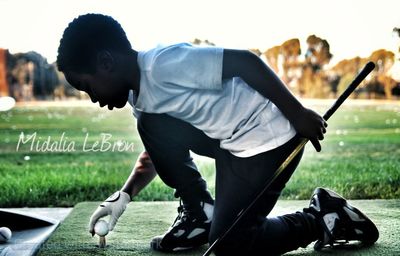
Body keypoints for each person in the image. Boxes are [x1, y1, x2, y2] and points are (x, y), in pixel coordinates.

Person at [57, 13, 379, 255]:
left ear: (106, 61)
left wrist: (297, 114)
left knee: (229, 247)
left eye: (87, 86)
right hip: (230, 144)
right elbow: (157, 152)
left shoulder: (163, 65)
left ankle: (321, 217)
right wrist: (122, 197)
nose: (93, 98)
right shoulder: (141, 100)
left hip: (266, 140)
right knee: (152, 125)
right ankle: (198, 216)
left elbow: (245, 62)